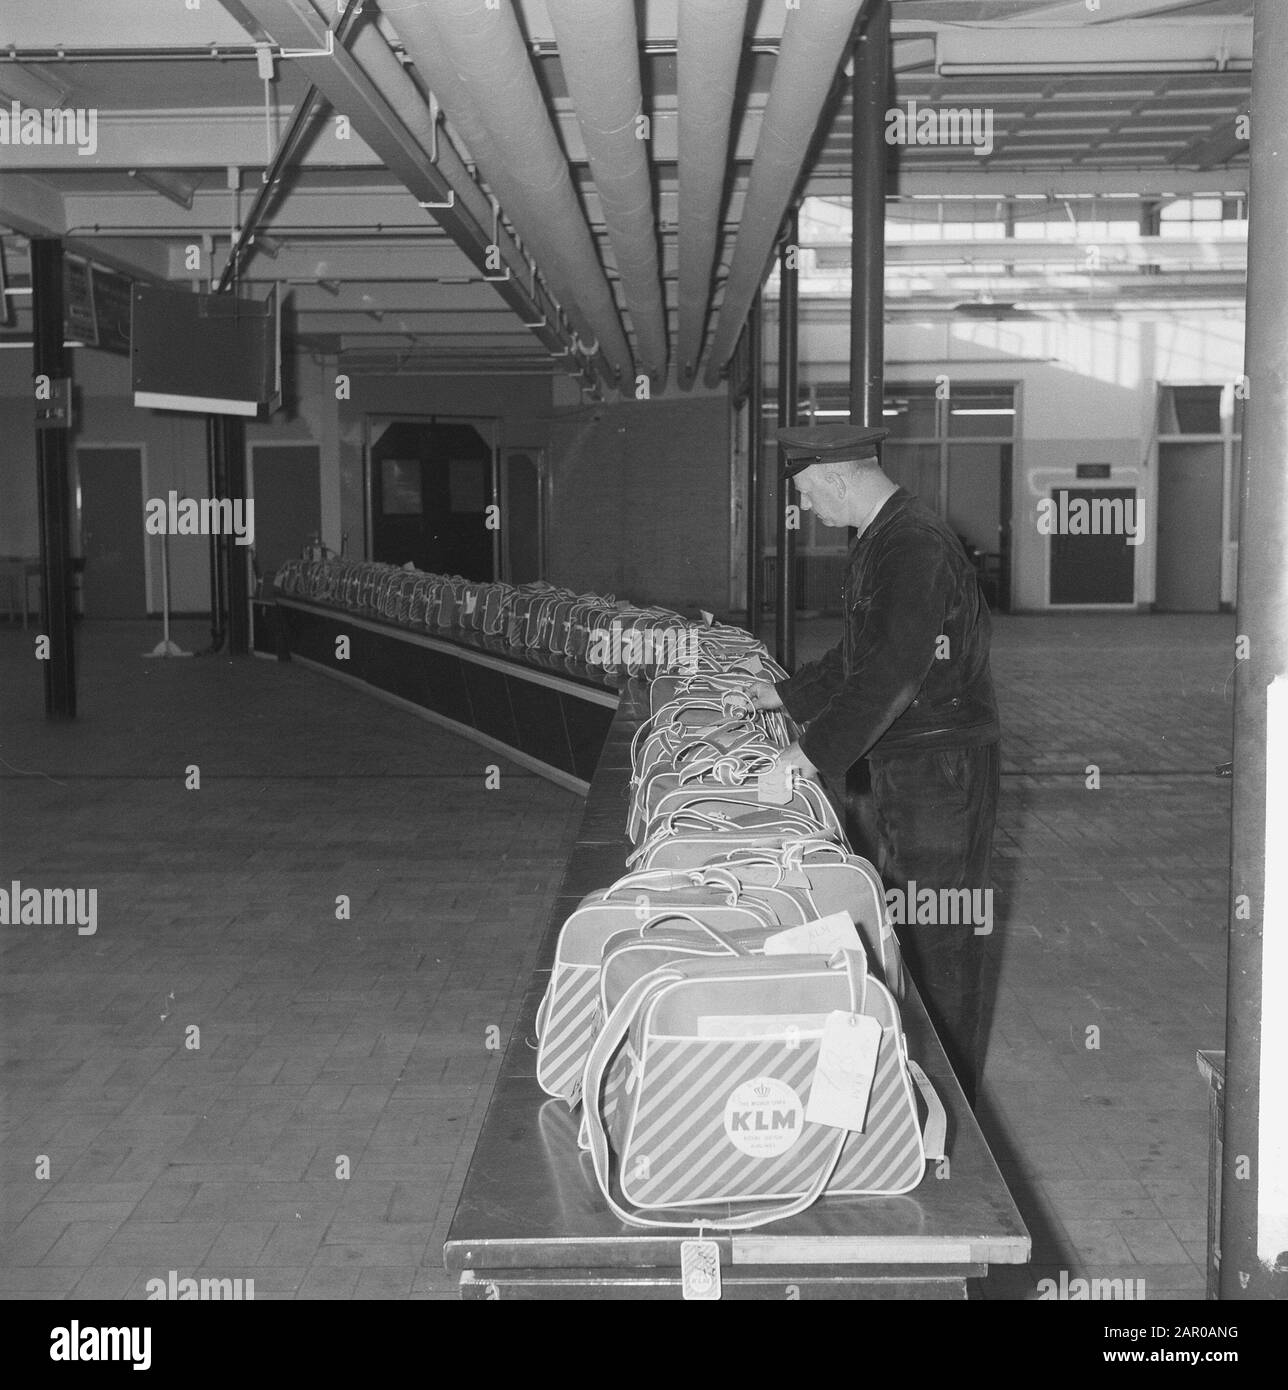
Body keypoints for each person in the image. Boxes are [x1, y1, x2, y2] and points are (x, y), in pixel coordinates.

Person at [750, 424, 1001, 1108]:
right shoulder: (886, 539)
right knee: (910, 923)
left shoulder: (910, 545)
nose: (807, 510)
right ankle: (910, 1085)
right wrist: (779, 694)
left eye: (805, 493)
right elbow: (860, 658)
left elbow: (890, 672)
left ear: (836, 475)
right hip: (916, 763)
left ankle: (946, 1103)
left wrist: (805, 758)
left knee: (937, 934)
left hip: (938, 770)